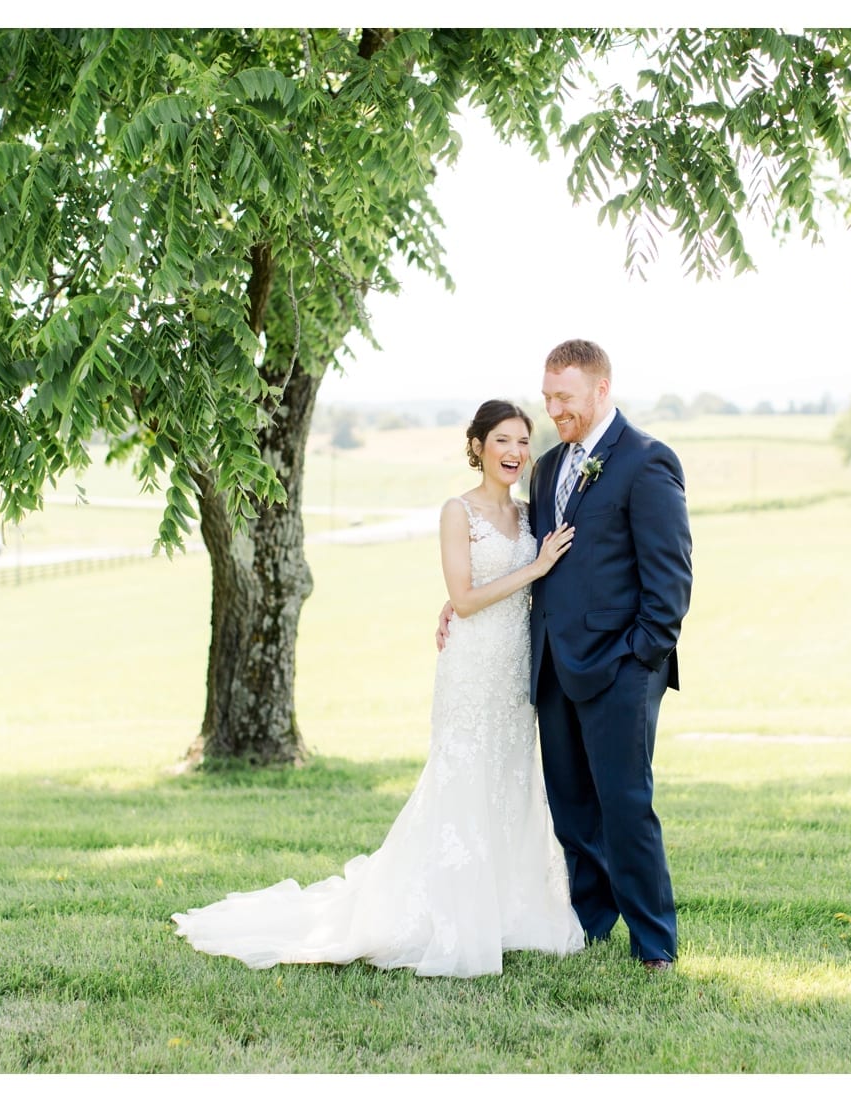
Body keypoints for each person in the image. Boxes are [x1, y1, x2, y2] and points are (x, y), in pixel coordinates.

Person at [172, 400, 585, 978]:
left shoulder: (528, 515)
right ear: (478, 448)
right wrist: (530, 571)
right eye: (502, 441)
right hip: (470, 668)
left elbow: (497, 591)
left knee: (510, 777)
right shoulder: (456, 511)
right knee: (463, 777)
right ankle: (448, 915)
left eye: (523, 441)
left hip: (516, 667)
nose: (515, 452)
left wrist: (524, 574)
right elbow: (466, 597)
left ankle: (508, 910)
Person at [438, 338, 692, 971]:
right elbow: (520, 554)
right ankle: (591, 921)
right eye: (548, 397)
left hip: (621, 669)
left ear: (601, 390)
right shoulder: (548, 467)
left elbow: (670, 578)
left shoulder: (646, 461)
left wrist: (641, 656)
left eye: (566, 398)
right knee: (573, 807)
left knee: (626, 806)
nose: (554, 410)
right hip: (550, 666)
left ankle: (654, 943)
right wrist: (457, 601)